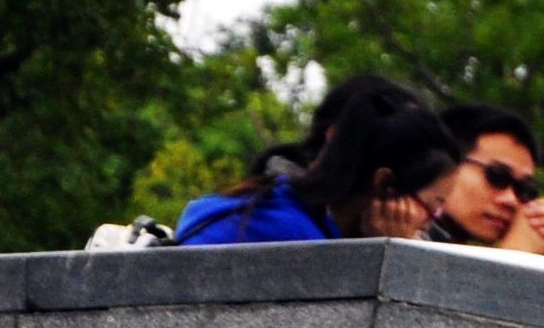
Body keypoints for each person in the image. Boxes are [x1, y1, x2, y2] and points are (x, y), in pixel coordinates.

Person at [174, 74, 462, 245]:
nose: (429, 225)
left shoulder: (284, 201)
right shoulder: (294, 237)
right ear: (385, 184)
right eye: (433, 208)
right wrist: (391, 255)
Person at [428, 103, 544, 256]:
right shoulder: (402, 230)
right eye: (497, 176)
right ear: (443, 164)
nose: (511, 201)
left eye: (524, 189)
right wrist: (515, 256)